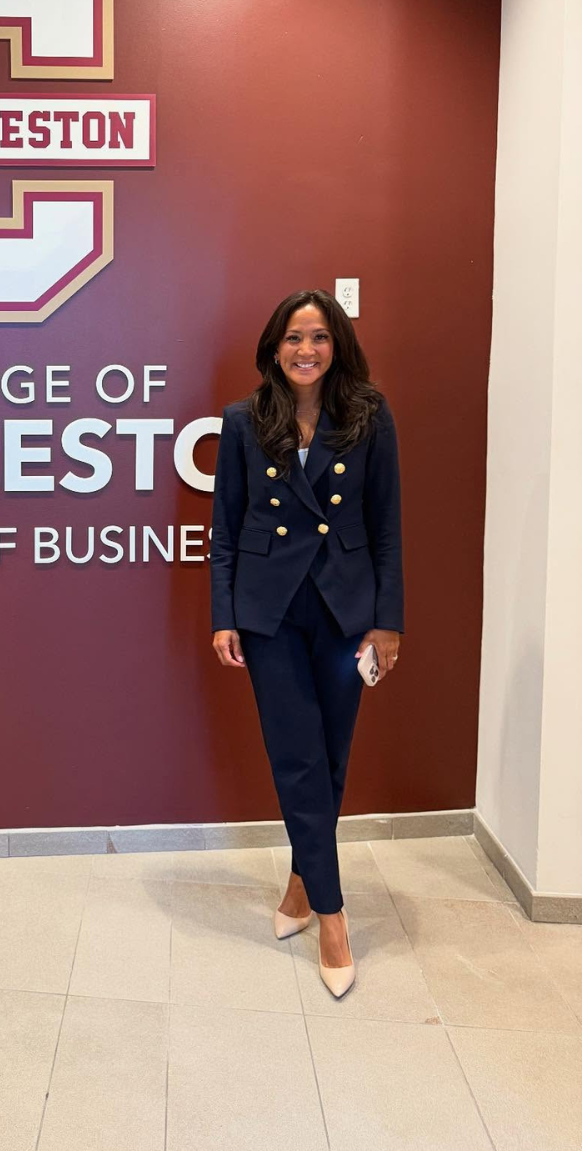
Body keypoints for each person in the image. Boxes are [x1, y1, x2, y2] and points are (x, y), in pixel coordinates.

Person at [210, 288, 403, 999]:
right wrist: (223, 615)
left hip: (347, 610)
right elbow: (225, 529)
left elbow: (386, 526)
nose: (305, 350)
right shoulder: (243, 422)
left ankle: (298, 882)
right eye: (293, 338)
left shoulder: (368, 417)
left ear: (337, 346)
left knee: (331, 758)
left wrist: (388, 622)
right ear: (274, 347)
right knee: (297, 757)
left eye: (319, 337)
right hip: (270, 612)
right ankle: (332, 913)